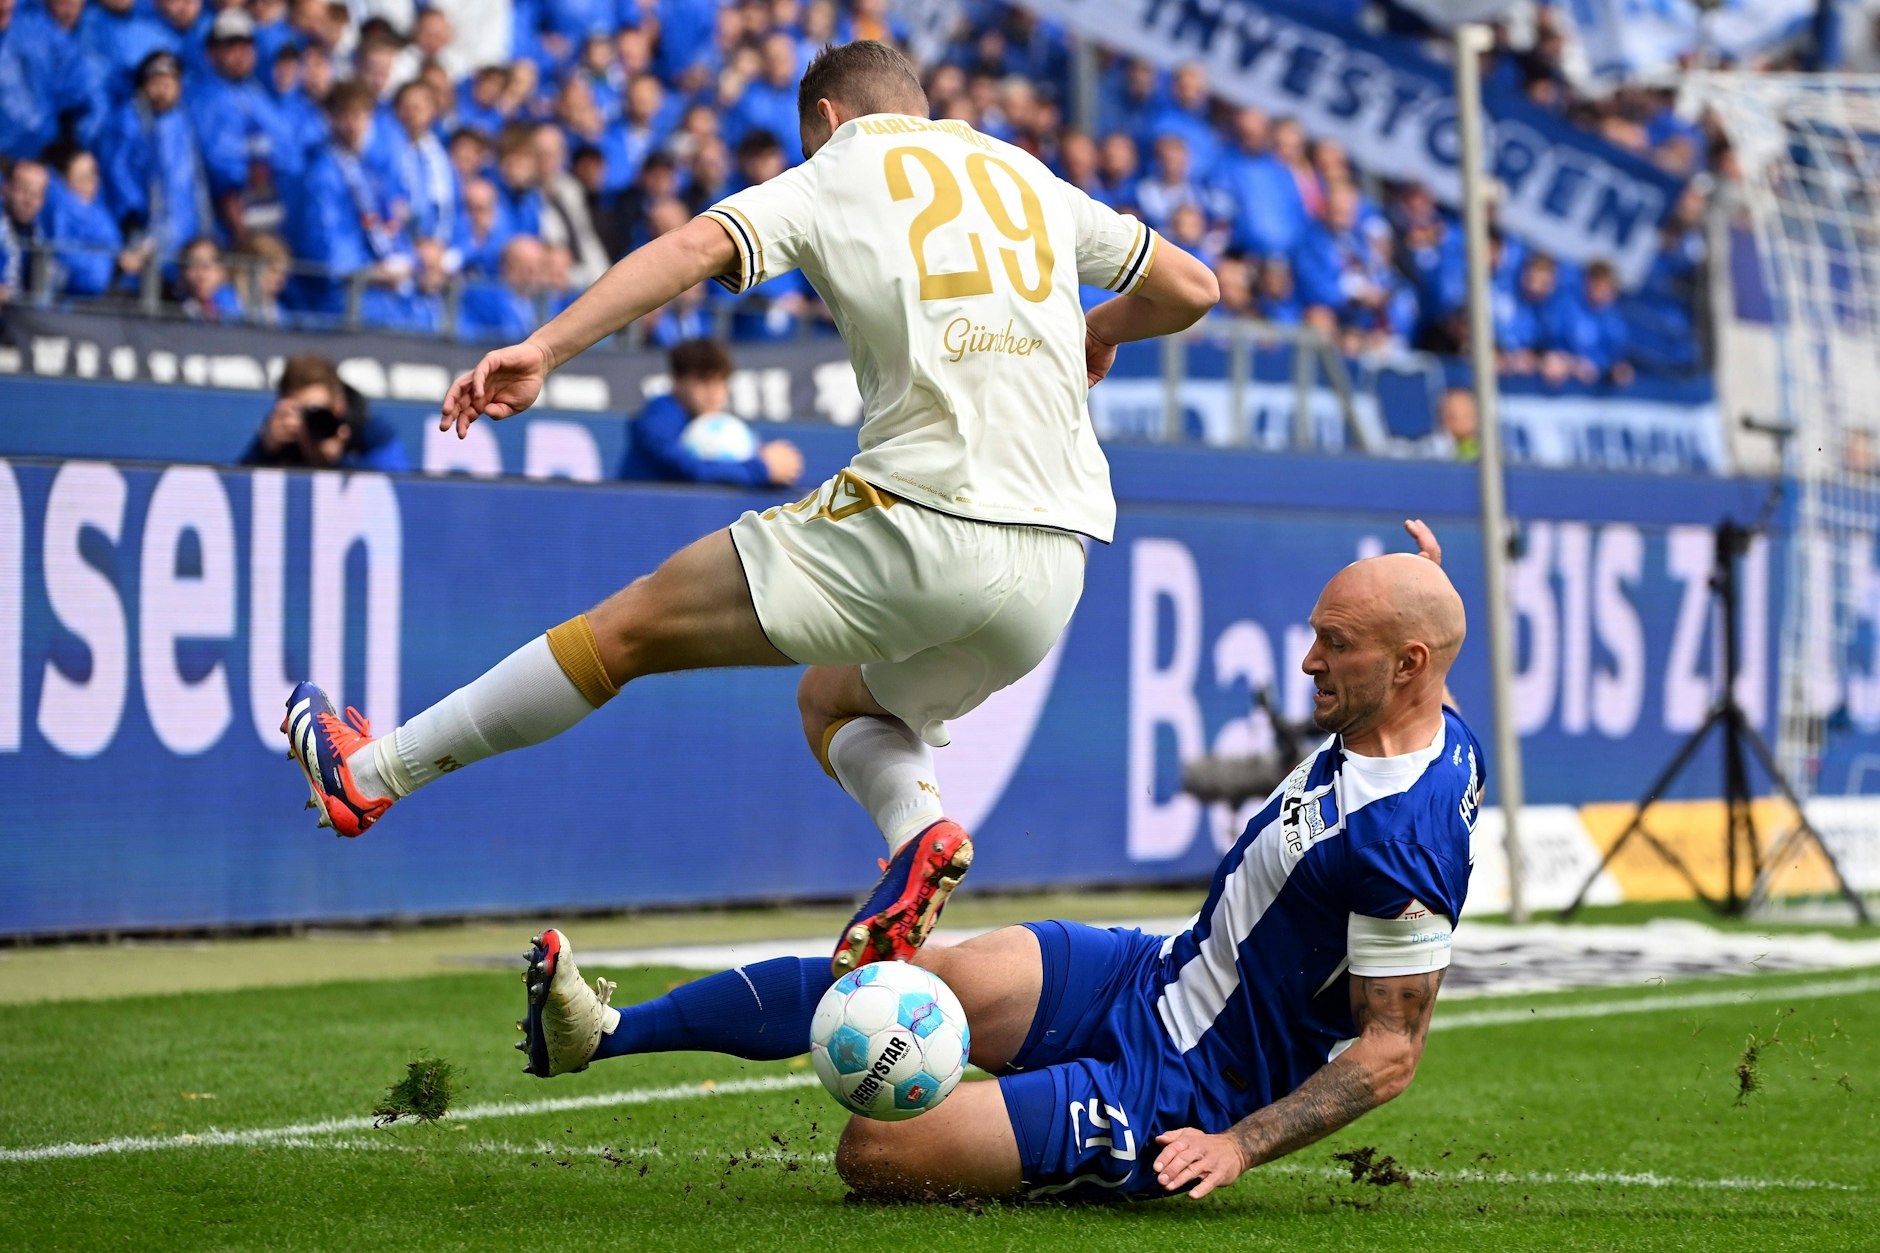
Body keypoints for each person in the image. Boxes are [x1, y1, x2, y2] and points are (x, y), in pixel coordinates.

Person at [282, 39, 1217, 976]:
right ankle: (920, 831)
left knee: (625, 631)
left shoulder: (838, 168)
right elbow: (1191, 288)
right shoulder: (1024, 173)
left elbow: (697, 247)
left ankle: (369, 776)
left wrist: (547, 349)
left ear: (826, 117)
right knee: (834, 698)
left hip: (927, 515)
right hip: (1058, 564)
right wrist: (1100, 326)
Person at [516, 522, 1477, 1204]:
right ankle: (601, 1034)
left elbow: (1391, 1053)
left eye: (1335, 644)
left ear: (1407, 663)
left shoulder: (1408, 838)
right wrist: (1423, 579)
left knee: (876, 1146)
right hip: (1151, 973)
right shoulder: (1408, 706)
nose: (1309, 660)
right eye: (1315, 633)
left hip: (1192, 1087)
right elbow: (1422, 654)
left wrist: (1238, 1142)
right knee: (899, 982)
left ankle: (1060, 1124)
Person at [619, 338, 803, 488]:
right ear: (678, 381)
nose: (715, 392)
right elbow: (692, 470)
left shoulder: (720, 425)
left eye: (721, 381)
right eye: (704, 381)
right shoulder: (656, 421)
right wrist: (764, 469)